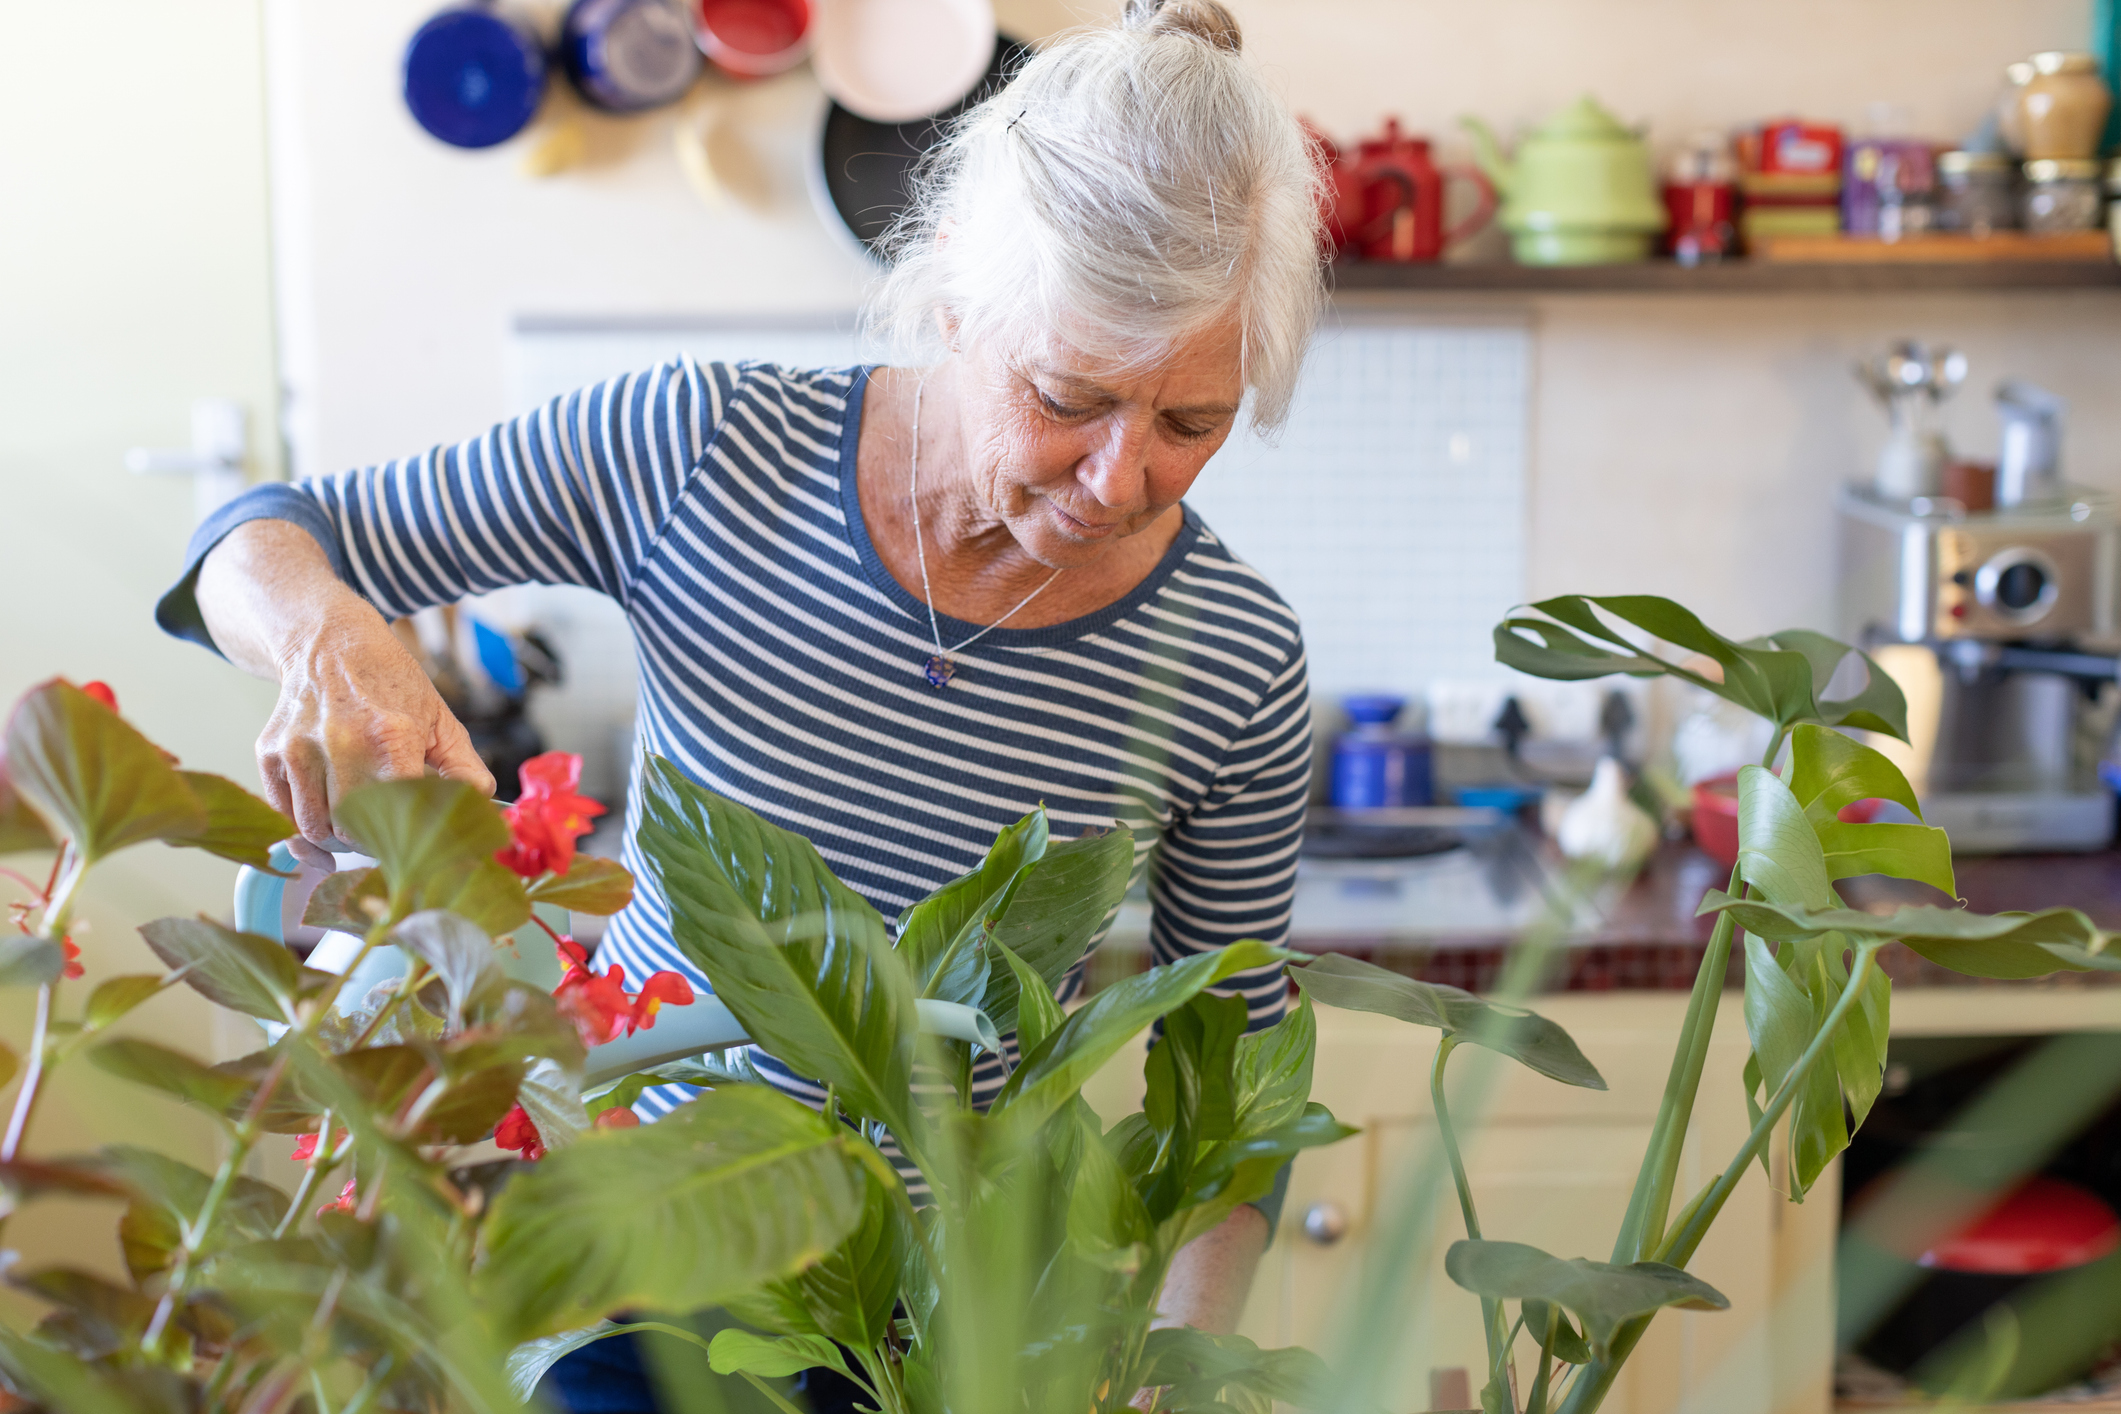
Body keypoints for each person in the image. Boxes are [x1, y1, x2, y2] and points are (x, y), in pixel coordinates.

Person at [156, 1, 1324, 1408]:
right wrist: (331, 639)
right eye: (1069, 395)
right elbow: (256, 539)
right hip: (638, 1282)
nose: (1119, 476)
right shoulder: (705, 449)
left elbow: (1235, 1077)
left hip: (951, 1325)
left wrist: (1169, 1379)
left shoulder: (1235, 657)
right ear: (957, 291)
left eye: (1189, 423)